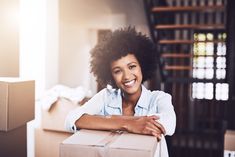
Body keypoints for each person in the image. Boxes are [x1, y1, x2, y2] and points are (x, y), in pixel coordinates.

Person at [65, 27, 176, 157]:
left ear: (142, 67)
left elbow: (169, 124)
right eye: (118, 71)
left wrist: (105, 121)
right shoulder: (106, 97)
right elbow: (70, 120)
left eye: (132, 67)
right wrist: (127, 124)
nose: (127, 76)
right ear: (111, 75)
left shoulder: (159, 98)